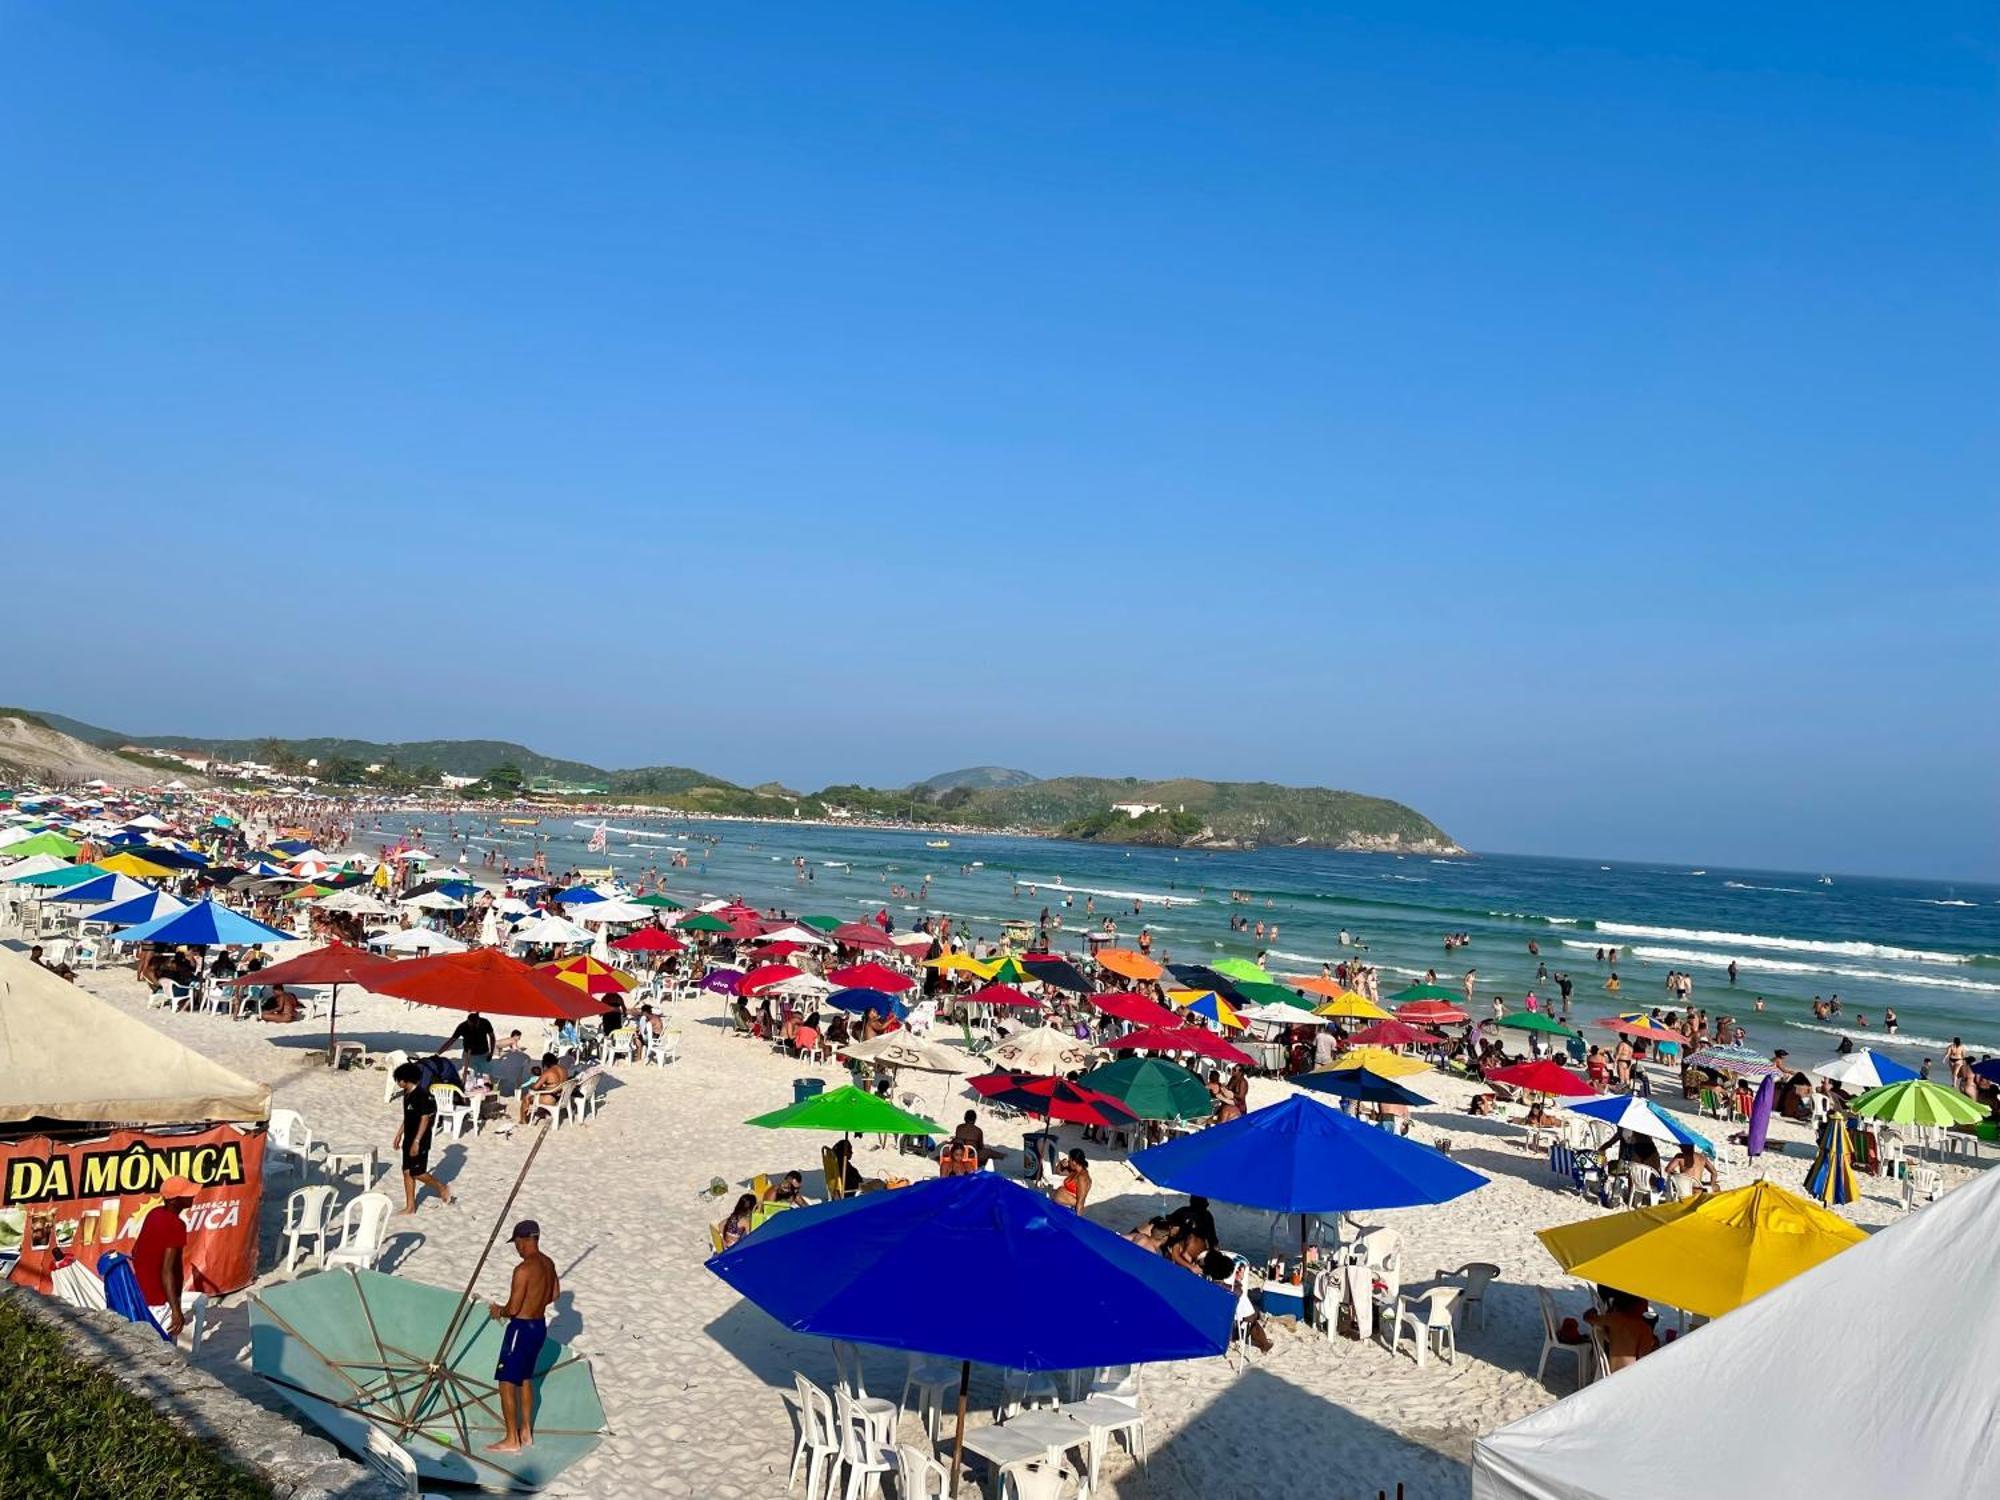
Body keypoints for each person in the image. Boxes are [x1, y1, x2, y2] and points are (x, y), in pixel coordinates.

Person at [487, 1220, 560, 1453]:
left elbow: (514, 1308)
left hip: (521, 1327)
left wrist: (499, 1311)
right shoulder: (548, 1263)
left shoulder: (523, 1270)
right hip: (539, 1326)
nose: (516, 1248)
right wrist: (535, 1303)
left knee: (507, 1382)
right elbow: (554, 1294)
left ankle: (511, 1439)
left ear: (522, 1240)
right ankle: (526, 1431)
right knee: (525, 1378)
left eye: (516, 1243)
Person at [132, 1175, 197, 1340]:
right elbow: (168, 1270)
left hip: (141, 1294)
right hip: (159, 1300)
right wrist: (176, 1310)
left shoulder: (154, 1213)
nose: (192, 1196)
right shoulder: (176, 1225)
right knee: (163, 1349)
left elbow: (135, 1251)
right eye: (187, 1194)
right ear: (174, 1201)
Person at [393, 1062, 454, 1214]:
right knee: (406, 1171)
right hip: (409, 1136)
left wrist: (417, 1141)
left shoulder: (422, 1095)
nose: (397, 1083)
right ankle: (410, 1207)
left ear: (405, 1080)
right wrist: (399, 1134)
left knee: (417, 1172)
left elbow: (425, 1119)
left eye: (398, 1080)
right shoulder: (407, 1095)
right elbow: (407, 1117)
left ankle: (441, 1187)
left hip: (420, 1139)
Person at [1585, 1290, 1659, 1370]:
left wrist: (1593, 1312)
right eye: (1644, 1301)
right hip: (1629, 1376)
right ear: (1636, 1304)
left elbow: (1588, 1318)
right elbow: (1646, 1361)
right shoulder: (1643, 1328)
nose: (1646, 1308)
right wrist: (1652, 1345)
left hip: (1612, 1373)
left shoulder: (1614, 1318)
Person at [519, 1053, 569, 1124]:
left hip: (550, 1099)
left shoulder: (548, 1072)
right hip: (561, 1097)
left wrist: (531, 1085)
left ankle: (523, 1120)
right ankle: (543, 1112)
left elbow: (536, 1087)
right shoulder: (564, 1070)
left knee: (526, 1098)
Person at [448, 1009, 497, 1074]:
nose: (472, 1026)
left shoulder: (485, 1023)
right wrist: (438, 1053)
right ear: (468, 1021)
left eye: (474, 1024)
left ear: (478, 1021)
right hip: (468, 1055)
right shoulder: (462, 1026)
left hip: (483, 1054)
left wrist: (491, 1052)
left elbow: (492, 1037)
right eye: (470, 1024)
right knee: (469, 1076)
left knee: (485, 1076)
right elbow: (451, 1041)